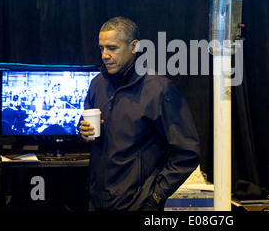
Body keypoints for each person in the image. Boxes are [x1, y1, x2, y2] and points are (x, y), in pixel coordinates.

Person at [79, 17, 200, 211]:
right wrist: (82, 131)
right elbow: (85, 129)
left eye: (112, 48)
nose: (104, 55)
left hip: (138, 205)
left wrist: (154, 197)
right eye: (101, 48)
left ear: (134, 46)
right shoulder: (97, 84)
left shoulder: (160, 89)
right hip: (98, 202)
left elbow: (187, 153)